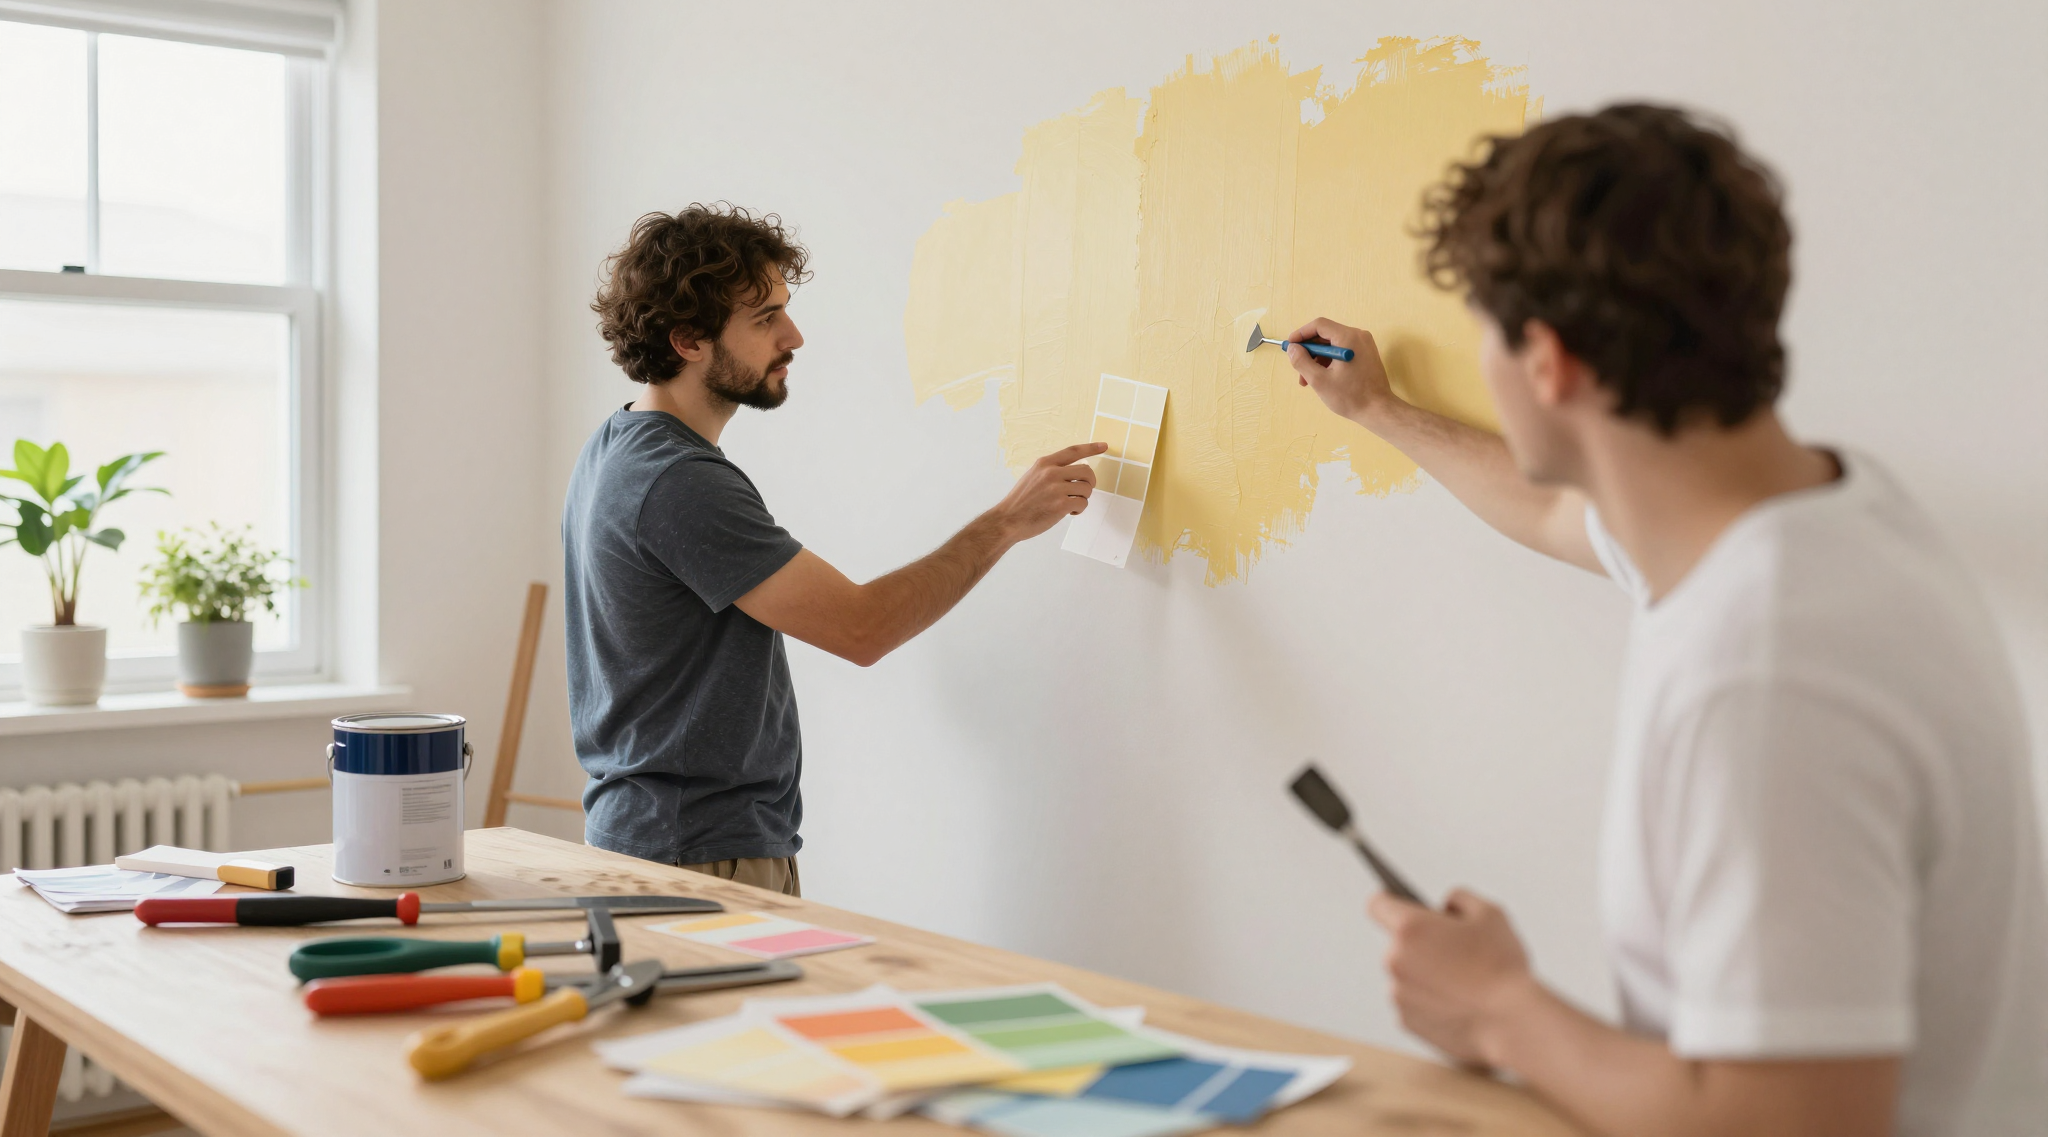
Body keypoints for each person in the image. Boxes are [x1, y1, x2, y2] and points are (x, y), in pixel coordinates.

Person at [1288, 105, 2048, 1136]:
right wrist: (1380, 413)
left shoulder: (1768, 672)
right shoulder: (1821, 516)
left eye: (1483, 337)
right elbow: (1557, 508)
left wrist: (1499, 1011)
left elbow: (1788, 1124)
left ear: (1547, 362)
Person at [563, 204, 1101, 896]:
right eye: (764, 319)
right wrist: (1003, 523)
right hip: (694, 860)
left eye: (785, 310)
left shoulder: (615, 445)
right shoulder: (677, 481)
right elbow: (862, 627)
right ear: (688, 340)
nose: (794, 336)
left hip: (662, 842)